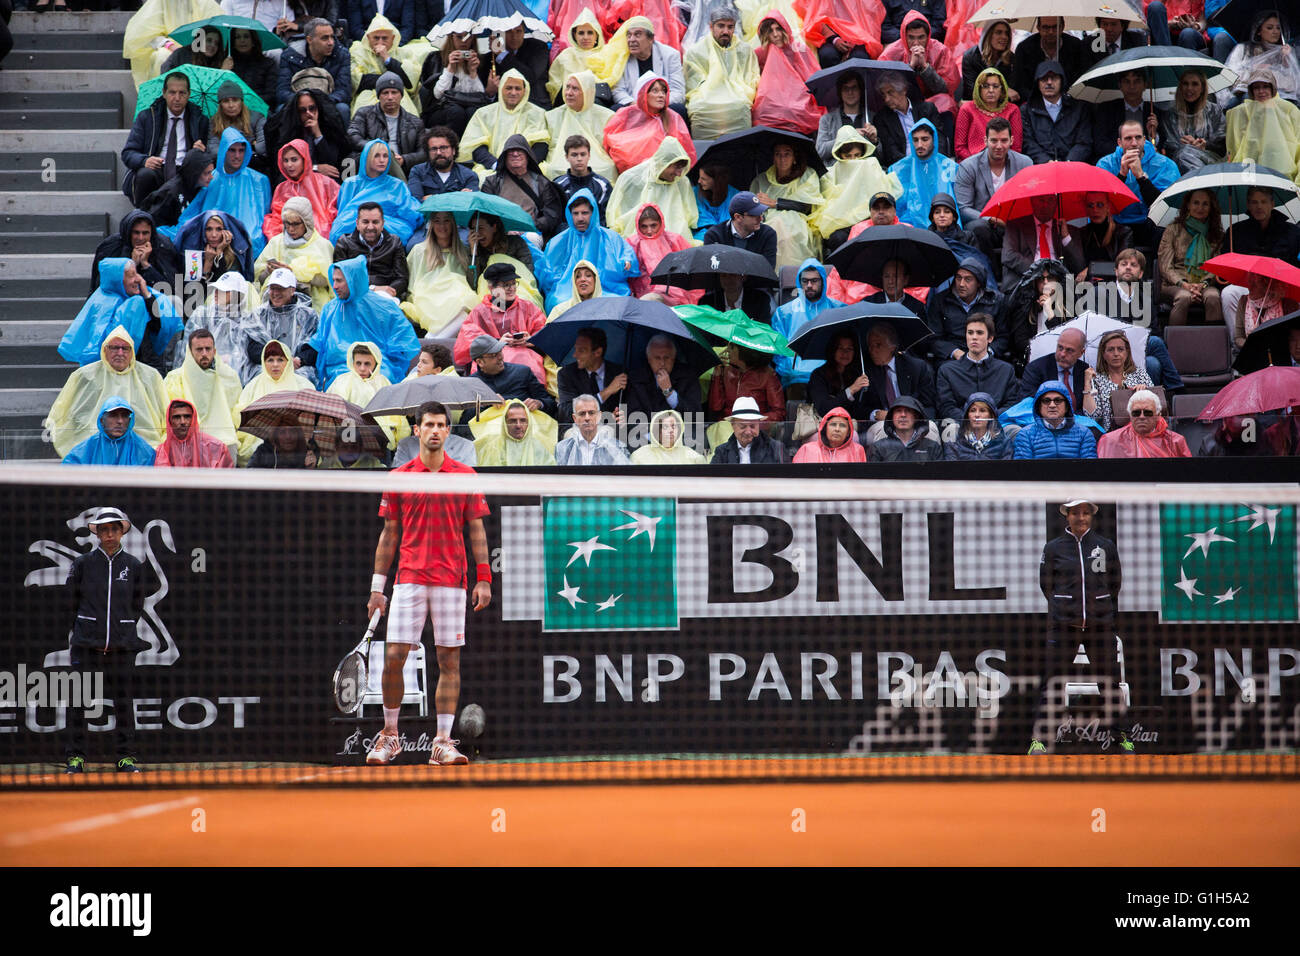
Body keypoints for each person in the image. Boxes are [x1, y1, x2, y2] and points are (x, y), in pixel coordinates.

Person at [365, 400, 491, 767]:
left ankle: (442, 742)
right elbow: (389, 534)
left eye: (441, 425)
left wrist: (483, 577)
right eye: (429, 425)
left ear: (448, 431)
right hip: (409, 580)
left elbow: (477, 529)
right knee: (393, 659)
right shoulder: (399, 476)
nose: (436, 430)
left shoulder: (466, 476)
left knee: (449, 661)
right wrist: (378, 587)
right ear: (416, 431)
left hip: (452, 581)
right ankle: (390, 735)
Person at [1029, 498, 1124, 754]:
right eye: (1075, 513)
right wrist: (1066, 606)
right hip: (1063, 626)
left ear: (1091, 516)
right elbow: (1045, 585)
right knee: (1052, 684)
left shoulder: (1105, 546)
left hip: (1100, 626)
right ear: (1067, 517)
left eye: (1085, 513)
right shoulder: (1053, 548)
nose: (1081, 518)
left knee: (1110, 685)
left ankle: (1122, 738)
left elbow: (1115, 583)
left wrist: (1097, 607)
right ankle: (1040, 740)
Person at [61, 507, 150, 775]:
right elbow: (70, 603)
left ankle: (125, 758)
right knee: (78, 702)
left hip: (122, 648)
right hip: (86, 646)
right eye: (104, 530)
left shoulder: (133, 566)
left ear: (121, 532)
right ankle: (75, 758)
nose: (109, 534)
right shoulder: (82, 564)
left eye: (114, 529)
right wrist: (83, 632)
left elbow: (137, 605)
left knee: (124, 703)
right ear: (97, 534)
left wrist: (121, 630)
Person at [300, 255, 419, 387]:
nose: (335, 286)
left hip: (377, 365)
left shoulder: (384, 307)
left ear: (353, 280)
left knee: (381, 380)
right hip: (339, 367)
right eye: (333, 280)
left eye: (339, 281)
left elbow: (403, 339)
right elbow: (319, 341)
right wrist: (301, 359)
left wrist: (380, 359)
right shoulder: (330, 309)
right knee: (344, 384)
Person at [46, 330, 170, 456]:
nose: (120, 353)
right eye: (114, 348)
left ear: (132, 352)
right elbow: (66, 414)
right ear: (104, 350)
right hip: (94, 447)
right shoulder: (85, 375)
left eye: (125, 348)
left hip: (142, 448)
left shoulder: (150, 376)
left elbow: (165, 414)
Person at [61, 258, 183, 374]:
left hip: (146, 365)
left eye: (137, 274)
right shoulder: (102, 303)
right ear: (118, 280)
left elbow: (159, 327)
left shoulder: (142, 298)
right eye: (131, 276)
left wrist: (147, 295)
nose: (137, 279)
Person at [954, 117, 1032, 283]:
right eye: (994, 140)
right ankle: (991, 277)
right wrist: (992, 218)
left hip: (1015, 222)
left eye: (1004, 140)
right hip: (986, 225)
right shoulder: (968, 166)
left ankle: (1028, 275)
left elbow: (1030, 199)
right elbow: (963, 207)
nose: (999, 146)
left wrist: (1011, 219)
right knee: (978, 227)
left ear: (1012, 140)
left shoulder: (1025, 163)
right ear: (985, 140)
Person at [173, 127, 273, 256]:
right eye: (232, 150)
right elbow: (195, 212)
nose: (237, 156)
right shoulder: (211, 178)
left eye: (241, 151)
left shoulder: (259, 180)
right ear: (224, 151)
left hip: (250, 236)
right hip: (213, 232)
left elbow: (264, 216)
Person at [121, 70, 210, 206]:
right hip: (157, 169)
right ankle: (144, 217)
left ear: (189, 94)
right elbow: (128, 153)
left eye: (182, 93)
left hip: (185, 170)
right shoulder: (147, 117)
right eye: (172, 92)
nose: (177, 98)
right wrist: (145, 160)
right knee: (145, 175)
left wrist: (201, 153)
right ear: (164, 93)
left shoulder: (200, 120)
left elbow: (209, 157)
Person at [539, 190, 639, 309]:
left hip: (607, 289)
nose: (580, 218)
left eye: (585, 213)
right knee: (558, 302)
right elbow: (547, 271)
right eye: (575, 213)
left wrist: (626, 262)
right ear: (569, 215)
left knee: (616, 302)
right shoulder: (558, 241)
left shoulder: (610, 237)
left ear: (593, 213)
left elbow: (626, 255)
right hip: (567, 290)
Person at [456, 261, 550, 383]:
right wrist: (496, 343)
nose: (511, 288)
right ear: (492, 288)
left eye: (513, 283)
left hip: (526, 358)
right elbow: (469, 343)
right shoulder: (479, 312)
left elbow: (545, 336)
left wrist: (531, 340)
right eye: (506, 285)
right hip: (491, 361)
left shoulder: (529, 308)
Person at [812, 128, 902, 247]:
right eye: (848, 156)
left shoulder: (871, 165)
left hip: (868, 219)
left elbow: (882, 194)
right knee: (836, 239)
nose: (853, 160)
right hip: (840, 224)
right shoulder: (832, 173)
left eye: (857, 155)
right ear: (839, 154)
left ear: (863, 153)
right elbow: (828, 201)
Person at [164, 326, 245, 458]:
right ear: (190, 351)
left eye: (208, 349)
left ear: (214, 351)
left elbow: (238, 413)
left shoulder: (229, 377)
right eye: (199, 349)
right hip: (188, 444)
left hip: (226, 443)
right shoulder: (174, 379)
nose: (204, 354)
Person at [1097, 119, 1180, 246]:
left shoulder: (1165, 164)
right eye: (1128, 138)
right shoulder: (1105, 164)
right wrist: (1122, 175)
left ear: (1144, 139)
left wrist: (1141, 177)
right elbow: (1101, 206)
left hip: (1150, 223)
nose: (1134, 143)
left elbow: (1164, 208)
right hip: (1117, 223)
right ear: (1119, 142)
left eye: (1138, 137)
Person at [684, 5, 760, 140]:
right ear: (711, 27)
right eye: (721, 26)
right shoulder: (696, 51)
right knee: (699, 107)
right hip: (706, 101)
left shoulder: (745, 50)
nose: (726, 31)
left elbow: (752, 79)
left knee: (741, 105)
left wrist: (740, 92)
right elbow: (693, 86)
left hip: (738, 99)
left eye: (730, 27)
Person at [402, 211, 480, 336]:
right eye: (437, 221)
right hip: (428, 299)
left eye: (447, 220)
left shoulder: (463, 251)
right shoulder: (419, 250)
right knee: (462, 313)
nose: (442, 226)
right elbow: (411, 282)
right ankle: (433, 342)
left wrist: (473, 252)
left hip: (457, 301)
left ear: (453, 224)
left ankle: (431, 341)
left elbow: (472, 284)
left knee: (464, 307)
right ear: (431, 224)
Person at [458, 69, 550, 176]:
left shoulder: (537, 113)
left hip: (527, 168)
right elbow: (477, 148)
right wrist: (497, 165)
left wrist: (522, 166)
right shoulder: (484, 113)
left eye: (518, 88)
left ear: (525, 90)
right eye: (509, 88)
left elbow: (541, 146)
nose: (513, 92)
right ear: (501, 89)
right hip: (491, 169)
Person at [331, 140, 423, 244]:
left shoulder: (397, 185)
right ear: (367, 157)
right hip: (354, 228)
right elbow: (343, 214)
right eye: (377, 156)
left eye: (385, 156)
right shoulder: (351, 184)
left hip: (389, 229)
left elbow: (409, 213)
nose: (382, 160)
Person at [604, 73, 696, 174]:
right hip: (631, 174)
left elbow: (685, 151)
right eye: (655, 91)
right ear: (643, 93)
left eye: (664, 91)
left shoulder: (673, 117)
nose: (661, 95)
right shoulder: (626, 114)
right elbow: (611, 141)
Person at [481, 134, 566, 243]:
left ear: (528, 155)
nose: (515, 154)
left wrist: (529, 225)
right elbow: (486, 212)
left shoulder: (541, 183)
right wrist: (504, 228)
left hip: (531, 231)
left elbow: (551, 215)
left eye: (519, 150)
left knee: (532, 238)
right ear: (504, 156)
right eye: (511, 151)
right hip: (500, 232)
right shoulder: (492, 183)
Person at [878, 11, 960, 125]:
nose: (916, 43)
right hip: (902, 103)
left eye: (921, 37)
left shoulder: (941, 51)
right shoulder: (891, 53)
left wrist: (925, 67)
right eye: (911, 37)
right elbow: (885, 88)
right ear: (904, 36)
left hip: (933, 102)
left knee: (946, 102)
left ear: (928, 36)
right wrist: (909, 67)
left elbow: (946, 89)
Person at [1158, 188, 1224, 328]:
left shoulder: (1217, 234)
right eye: (1196, 203)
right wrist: (1183, 284)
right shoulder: (1173, 230)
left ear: (1211, 207)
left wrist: (1203, 284)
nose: (1200, 208)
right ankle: (1175, 345)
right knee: (1184, 297)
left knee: (1213, 297)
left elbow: (1217, 266)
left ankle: (1213, 344)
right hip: (1174, 284)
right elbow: (1165, 266)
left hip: (1205, 283)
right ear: (1188, 205)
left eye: (1205, 204)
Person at [606, 136, 697, 237]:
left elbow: (690, 214)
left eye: (681, 169)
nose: (679, 174)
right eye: (676, 168)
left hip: (674, 238)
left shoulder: (681, 182)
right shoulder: (634, 178)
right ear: (664, 163)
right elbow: (617, 212)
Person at [772, 259, 843, 389]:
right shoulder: (784, 312)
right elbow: (778, 350)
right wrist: (789, 371)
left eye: (814, 281)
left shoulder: (838, 309)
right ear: (800, 282)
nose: (809, 285)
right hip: (795, 378)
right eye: (805, 281)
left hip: (831, 376)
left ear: (823, 281)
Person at [936, 311, 1017, 420]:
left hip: (997, 426)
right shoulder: (947, 370)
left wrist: (988, 418)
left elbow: (1011, 404)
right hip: (960, 426)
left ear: (990, 338)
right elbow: (946, 407)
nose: (974, 337)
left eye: (979, 333)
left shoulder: (1006, 370)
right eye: (970, 332)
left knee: (1013, 429)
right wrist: (970, 420)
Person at [122, 0, 224, 86]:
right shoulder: (159, 2)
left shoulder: (205, 3)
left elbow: (215, 30)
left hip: (200, 48)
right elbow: (145, 34)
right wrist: (170, 45)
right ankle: (163, 99)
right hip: (170, 48)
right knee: (162, 56)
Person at [752, 12, 823, 135]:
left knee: (792, 109)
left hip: (798, 96)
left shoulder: (799, 49)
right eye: (770, 31)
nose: (775, 35)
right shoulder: (760, 53)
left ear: (785, 29)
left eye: (778, 29)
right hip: (772, 98)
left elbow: (812, 74)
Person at [541, 71, 617, 183]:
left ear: (587, 92)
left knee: (607, 168)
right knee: (554, 169)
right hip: (560, 159)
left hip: (598, 160)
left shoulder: (607, 116)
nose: (569, 93)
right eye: (567, 87)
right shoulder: (552, 115)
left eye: (575, 89)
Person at [1225, 68, 1300, 181]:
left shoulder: (1288, 109)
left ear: (1272, 88)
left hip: (1283, 169)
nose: (1261, 91)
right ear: (1251, 90)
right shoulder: (1241, 112)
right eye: (1256, 87)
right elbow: (1233, 144)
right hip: (1250, 169)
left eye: (1265, 86)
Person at [266, 89, 352, 184]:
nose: (308, 113)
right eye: (303, 110)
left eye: (312, 108)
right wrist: (314, 168)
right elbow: (287, 167)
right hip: (297, 181)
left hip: (324, 181)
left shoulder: (328, 127)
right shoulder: (288, 132)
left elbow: (331, 162)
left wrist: (317, 133)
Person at [347, 71, 425, 174]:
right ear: (378, 96)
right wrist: (376, 148)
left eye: (394, 92)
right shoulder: (365, 113)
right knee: (349, 161)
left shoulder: (415, 122)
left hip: (401, 165)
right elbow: (353, 136)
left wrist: (404, 159)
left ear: (401, 95)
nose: (390, 97)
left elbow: (423, 152)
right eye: (385, 93)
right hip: (372, 163)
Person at [90, 211, 183, 295]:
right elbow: (104, 288)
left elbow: (172, 290)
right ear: (128, 232)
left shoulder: (163, 247)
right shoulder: (111, 247)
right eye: (136, 233)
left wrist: (146, 265)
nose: (141, 238)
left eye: (145, 233)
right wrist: (131, 264)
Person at [278, 18, 353, 122]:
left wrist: (321, 101)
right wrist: (304, 102)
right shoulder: (290, 56)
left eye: (332, 37)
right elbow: (282, 91)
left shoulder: (342, 54)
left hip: (328, 103)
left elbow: (344, 91)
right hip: (299, 104)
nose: (331, 42)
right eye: (325, 38)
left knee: (342, 109)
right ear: (309, 40)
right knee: (281, 109)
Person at [1021, 61, 1094, 166]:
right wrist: (1047, 162)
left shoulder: (1079, 108)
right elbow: (1028, 143)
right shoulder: (1026, 110)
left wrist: (1069, 162)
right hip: (1040, 168)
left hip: (1073, 168)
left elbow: (1084, 142)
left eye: (1054, 78)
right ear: (1038, 82)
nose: (1049, 82)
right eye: (1044, 79)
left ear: (1062, 81)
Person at [872, 72, 950, 169]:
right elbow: (891, 151)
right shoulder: (881, 118)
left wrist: (934, 162)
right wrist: (912, 166)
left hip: (932, 163)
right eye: (883, 95)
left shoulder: (927, 109)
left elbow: (939, 139)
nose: (886, 99)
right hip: (904, 167)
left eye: (890, 93)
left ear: (903, 90)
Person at [264, 139, 340, 239]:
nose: (289, 165)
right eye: (285, 160)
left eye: (294, 159)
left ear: (305, 159)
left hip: (321, 237)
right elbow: (277, 218)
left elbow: (338, 209)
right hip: (289, 237)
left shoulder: (325, 182)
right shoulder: (281, 188)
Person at [1221, 12, 1300, 108]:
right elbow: (1230, 75)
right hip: (1247, 94)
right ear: (1259, 31)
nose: (1275, 32)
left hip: (1280, 96)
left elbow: (1294, 84)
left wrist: (1286, 61)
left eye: (1278, 28)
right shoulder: (1243, 49)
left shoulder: (1285, 51)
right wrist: (1254, 70)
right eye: (1270, 28)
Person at [890, 119, 958, 230]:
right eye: (915, 140)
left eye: (925, 139)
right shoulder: (898, 169)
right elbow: (897, 209)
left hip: (944, 226)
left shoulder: (949, 166)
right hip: (909, 228)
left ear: (934, 140)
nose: (919, 145)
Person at [1080, 329, 1154, 432]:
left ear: (1127, 352)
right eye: (1110, 350)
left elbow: (1156, 407)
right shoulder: (1097, 380)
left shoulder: (1140, 374)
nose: (1116, 354)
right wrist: (1087, 383)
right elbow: (1092, 416)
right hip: (1112, 435)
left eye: (1120, 349)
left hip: (1141, 431)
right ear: (1104, 354)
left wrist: (1146, 393)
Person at [609, 17, 687, 113]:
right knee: (615, 109)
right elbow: (618, 91)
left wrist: (657, 104)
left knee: (679, 109)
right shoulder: (621, 57)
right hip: (634, 106)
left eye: (637, 35)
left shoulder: (670, 55)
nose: (631, 40)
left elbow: (678, 91)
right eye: (629, 35)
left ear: (651, 39)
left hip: (662, 106)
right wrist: (635, 104)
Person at [626, 203, 699, 306]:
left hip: (676, 296)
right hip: (643, 297)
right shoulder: (632, 244)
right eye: (644, 226)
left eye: (653, 225)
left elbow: (692, 269)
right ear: (638, 226)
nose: (649, 231)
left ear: (661, 223)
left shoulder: (674, 240)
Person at [467, 333, 557, 416]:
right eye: (494, 355)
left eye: (500, 352)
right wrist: (484, 404)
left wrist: (539, 403)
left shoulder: (522, 372)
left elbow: (551, 404)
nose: (500, 357)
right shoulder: (472, 383)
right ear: (480, 362)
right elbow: (464, 421)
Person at [418, 30, 488, 135]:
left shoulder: (478, 61)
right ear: (451, 38)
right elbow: (438, 94)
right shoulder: (436, 58)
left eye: (468, 37)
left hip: (466, 107)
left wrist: (473, 72)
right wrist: (450, 69)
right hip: (440, 109)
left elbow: (479, 98)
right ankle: (451, 148)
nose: (464, 41)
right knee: (456, 111)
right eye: (459, 37)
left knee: (473, 112)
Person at [332, 202, 409, 298]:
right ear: (357, 224)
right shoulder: (344, 243)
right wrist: (372, 289)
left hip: (387, 297)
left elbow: (402, 278)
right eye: (365, 222)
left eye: (375, 222)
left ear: (382, 224)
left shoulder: (394, 242)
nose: (370, 227)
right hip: (355, 296)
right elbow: (341, 279)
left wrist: (388, 292)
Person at [1159, 68, 1227, 173]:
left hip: (1209, 160)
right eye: (1185, 84)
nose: (1189, 88)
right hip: (1178, 162)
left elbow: (1222, 146)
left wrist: (1205, 145)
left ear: (1202, 88)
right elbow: (1168, 147)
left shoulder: (1215, 110)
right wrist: (1184, 145)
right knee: (1184, 153)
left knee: (1185, 153)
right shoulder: (1170, 114)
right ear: (1180, 87)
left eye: (1195, 84)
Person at [349, 16, 419, 116]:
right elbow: (358, 82)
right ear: (368, 37)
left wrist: (387, 59)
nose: (380, 42)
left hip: (397, 96)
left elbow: (409, 83)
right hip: (367, 96)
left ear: (393, 38)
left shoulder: (404, 53)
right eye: (376, 38)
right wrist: (391, 79)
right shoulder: (357, 52)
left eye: (385, 38)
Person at [1001, 194, 1072, 293]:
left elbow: (1078, 262)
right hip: (1027, 280)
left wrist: (1065, 237)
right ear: (1032, 201)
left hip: (1057, 282)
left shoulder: (1064, 228)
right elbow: (1008, 256)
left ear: (1056, 203)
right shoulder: (1016, 225)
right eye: (1041, 200)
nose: (1045, 205)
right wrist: (1038, 271)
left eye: (1050, 200)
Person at [626, 333, 703, 421]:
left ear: (674, 358)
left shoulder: (688, 376)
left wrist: (669, 392)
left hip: (679, 432)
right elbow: (632, 417)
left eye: (666, 358)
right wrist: (652, 434)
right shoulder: (636, 377)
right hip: (646, 433)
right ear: (649, 359)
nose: (662, 363)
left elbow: (695, 416)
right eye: (657, 358)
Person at [62, 397, 158, 467]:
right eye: (113, 415)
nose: (120, 421)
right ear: (101, 420)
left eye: (124, 416)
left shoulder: (143, 450)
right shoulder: (87, 448)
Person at [1011, 17, 1087, 105]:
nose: (1051, 32)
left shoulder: (1076, 46)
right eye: (1046, 27)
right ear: (1038, 28)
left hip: (1070, 103)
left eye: (1055, 27)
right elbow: (1019, 83)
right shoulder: (1024, 48)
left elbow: (1081, 79)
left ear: (1062, 27)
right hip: (1034, 104)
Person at [557, 326, 626, 422]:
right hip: (580, 432)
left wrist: (618, 416)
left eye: (581, 350)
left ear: (598, 352)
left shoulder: (619, 373)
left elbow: (629, 407)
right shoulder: (567, 374)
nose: (575, 355)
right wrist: (607, 392)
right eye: (576, 349)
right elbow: (566, 411)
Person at [1090, 69, 1161, 163]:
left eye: (1137, 81)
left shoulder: (1154, 112)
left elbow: (1162, 146)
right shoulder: (1106, 110)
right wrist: (1128, 152)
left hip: (1147, 163)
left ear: (1145, 85)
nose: (1132, 87)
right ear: (1120, 85)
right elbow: (1100, 144)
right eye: (1127, 82)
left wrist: (1152, 134)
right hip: (1115, 162)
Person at [1014, 381, 1097, 459]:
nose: (1052, 405)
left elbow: (1089, 470)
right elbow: (1022, 471)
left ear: (1067, 406)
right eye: (1046, 401)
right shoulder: (1025, 435)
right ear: (1038, 406)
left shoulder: (1084, 434)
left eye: (1058, 400)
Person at [1097, 388, 1191, 457]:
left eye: (1148, 413)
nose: (1141, 417)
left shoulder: (1175, 441)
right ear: (1130, 415)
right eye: (1136, 413)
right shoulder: (1111, 441)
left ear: (1158, 415)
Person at [139, 149, 216, 230]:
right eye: (207, 173)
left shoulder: (199, 188)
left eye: (211, 172)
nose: (211, 177)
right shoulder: (170, 193)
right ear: (195, 173)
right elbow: (154, 223)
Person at [546, 9, 609, 106]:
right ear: (574, 35)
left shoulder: (605, 54)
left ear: (597, 35)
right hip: (567, 101)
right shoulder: (565, 55)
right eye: (581, 33)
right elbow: (554, 84)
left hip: (596, 102)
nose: (585, 37)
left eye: (590, 32)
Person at [956, 68, 1021, 161]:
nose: (991, 90)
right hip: (973, 164)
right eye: (985, 86)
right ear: (979, 88)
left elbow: (1016, 148)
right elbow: (960, 147)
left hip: (1004, 163)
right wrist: (976, 165)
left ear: (1002, 89)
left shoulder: (1012, 110)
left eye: (995, 86)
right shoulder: (967, 109)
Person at [708, 343, 785, 423]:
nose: (727, 351)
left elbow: (779, 413)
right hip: (727, 427)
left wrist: (754, 421)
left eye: (732, 348)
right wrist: (717, 374)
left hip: (754, 429)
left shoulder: (767, 374)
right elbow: (715, 407)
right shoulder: (725, 369)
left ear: (744, 351)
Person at [1066, 192, 1134, 281]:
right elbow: (1077, 264)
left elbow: (1124, 265)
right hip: (1087, 286)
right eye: (1090, 205)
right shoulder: (1083, 233)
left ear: (1108, 207)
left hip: (1114, 285)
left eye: (1100, 205)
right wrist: (1065, 236)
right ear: (1086, 209)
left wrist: (1090, 269)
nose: (1095, 209)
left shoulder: (1123, 232)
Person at [703, 191, 780, 269]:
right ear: (738, 217)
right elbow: (711, 270)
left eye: (761, 213)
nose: (761, 218)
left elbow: (768, 270)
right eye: (755, 215)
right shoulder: (714, 236)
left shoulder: (768, 234)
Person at [815, 70, 875, 167]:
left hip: (865, 171)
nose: (850, 92)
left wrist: (875, 141)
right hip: (837, 173)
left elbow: (881, 156)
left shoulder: (872, 118)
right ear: (840, 92)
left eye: (854, 88)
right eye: (845, 88)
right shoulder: (827, 120)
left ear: (861, 91)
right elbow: (820, 152)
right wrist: (846, 137)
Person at [154, 397, 234, 467]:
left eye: (187, 416)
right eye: (177, 417)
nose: (183, 422)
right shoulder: (162, 452)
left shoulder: (216, 448)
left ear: (194, 418)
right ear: (169, 421)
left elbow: (225, 479)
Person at [204, 81, 267, 170]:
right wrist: (251, 145)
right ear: (220, 105)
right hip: (225, 167)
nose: (231, 105)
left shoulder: (257, 118)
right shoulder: (214, 121)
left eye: (235, 100)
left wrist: (227, 147)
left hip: (253, 166)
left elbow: (262, 149)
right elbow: (213, 151)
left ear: (241, 101)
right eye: (226, 101)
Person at [555, 393, 633, 465]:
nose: (587, 418)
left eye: (591, 413)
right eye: (582, 414)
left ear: (599, 416)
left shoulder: (616, 447)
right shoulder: (562, 449)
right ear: (575, 418)